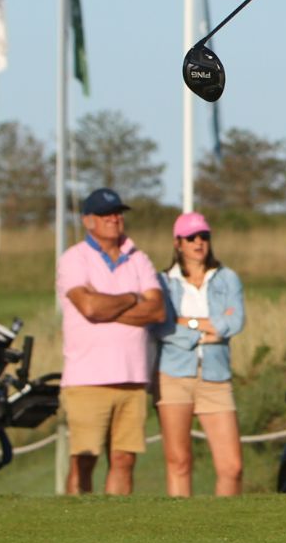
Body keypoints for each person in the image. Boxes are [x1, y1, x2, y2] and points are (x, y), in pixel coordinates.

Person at [55, 187, 165, 496]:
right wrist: (132, 298)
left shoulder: (138, 258)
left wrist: (108, 309)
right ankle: (75, 518)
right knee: (84, 459)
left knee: (124, 459)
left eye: (118, 213)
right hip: (87, 379)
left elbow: (156, 311)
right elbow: (89, 307)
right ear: (88, 220)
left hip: (132, 377)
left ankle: (116, 520)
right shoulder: (74, 258)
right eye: (106, 214)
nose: (114, 219)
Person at [152, 211, 246, 497]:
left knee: (232, 467)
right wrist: (203, 331)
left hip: (216, 376)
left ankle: (226, 520)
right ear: (178, 243)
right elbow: (162, 326)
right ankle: (181, 520)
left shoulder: (227, 278)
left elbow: (234, 322)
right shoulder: (163, 281)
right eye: (190, 237)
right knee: (179, 461)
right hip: (173, 375)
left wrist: (187, 322)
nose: (198, 242)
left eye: (203, 236)